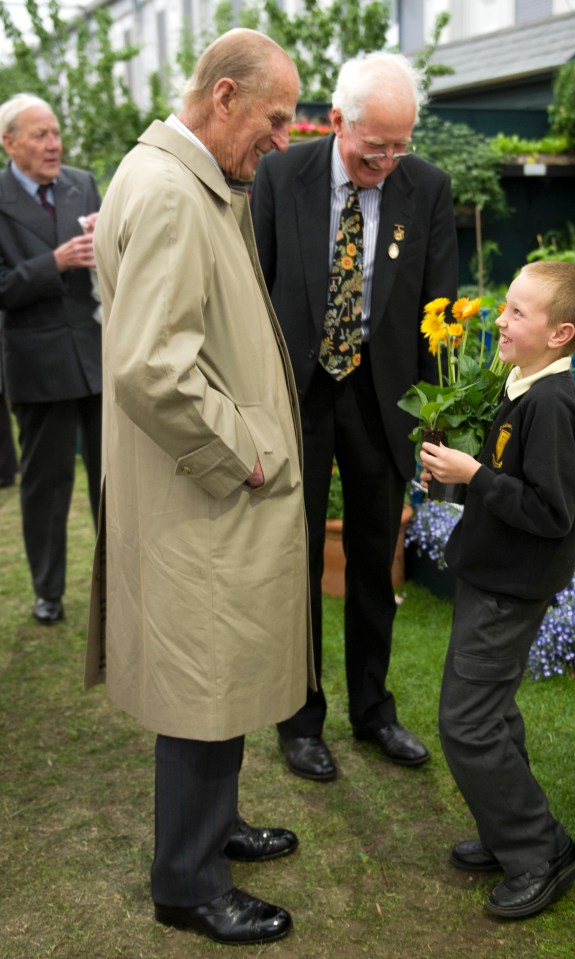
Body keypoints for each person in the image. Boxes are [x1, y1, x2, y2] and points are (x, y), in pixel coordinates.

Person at [85, 29, 313, 946]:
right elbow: (152, 369)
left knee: (217, 678)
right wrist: (246, 453)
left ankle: (213, 828)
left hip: (200, 496)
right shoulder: (176, 193)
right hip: (206, 493)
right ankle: (185, 880)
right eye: (273, 118)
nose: (282, 138)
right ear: (222, 97)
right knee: (202, 680)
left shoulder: (192, 178)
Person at [250, 52, 458, 781]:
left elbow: (439, 308)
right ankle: (298, 718)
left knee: (375, 558)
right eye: (377, 147)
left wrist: (433, 421)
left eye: (402, 145)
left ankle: (372, 710)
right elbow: (252, 291)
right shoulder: (282, 176)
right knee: (294, 557)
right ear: (337, 121)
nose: (390, 161)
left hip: (381, 395)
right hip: (298, 394)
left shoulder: (426, 188)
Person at [420, 261, 575, 920]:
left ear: (559, 333)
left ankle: (539, 851)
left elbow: (550, 510)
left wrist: (475, 476)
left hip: (509, 588)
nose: (500, 317)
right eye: (506, 306)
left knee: (465, 724)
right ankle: (509, 831)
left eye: (517, 312)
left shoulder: (553, 406)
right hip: (492, 575)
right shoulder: (526, 384)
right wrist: (461, 470)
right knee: (489, 711)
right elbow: (509, 475)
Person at [0, 93, 101, 624]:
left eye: (56, 132)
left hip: (96, 356)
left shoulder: (82, 183)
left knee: (111, 480)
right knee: (47, 486)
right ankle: (48, 591)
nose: (53, 144)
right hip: (38, 367)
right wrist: (53, 263)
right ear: (9, 142)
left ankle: (119, 585)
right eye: (39, 135)